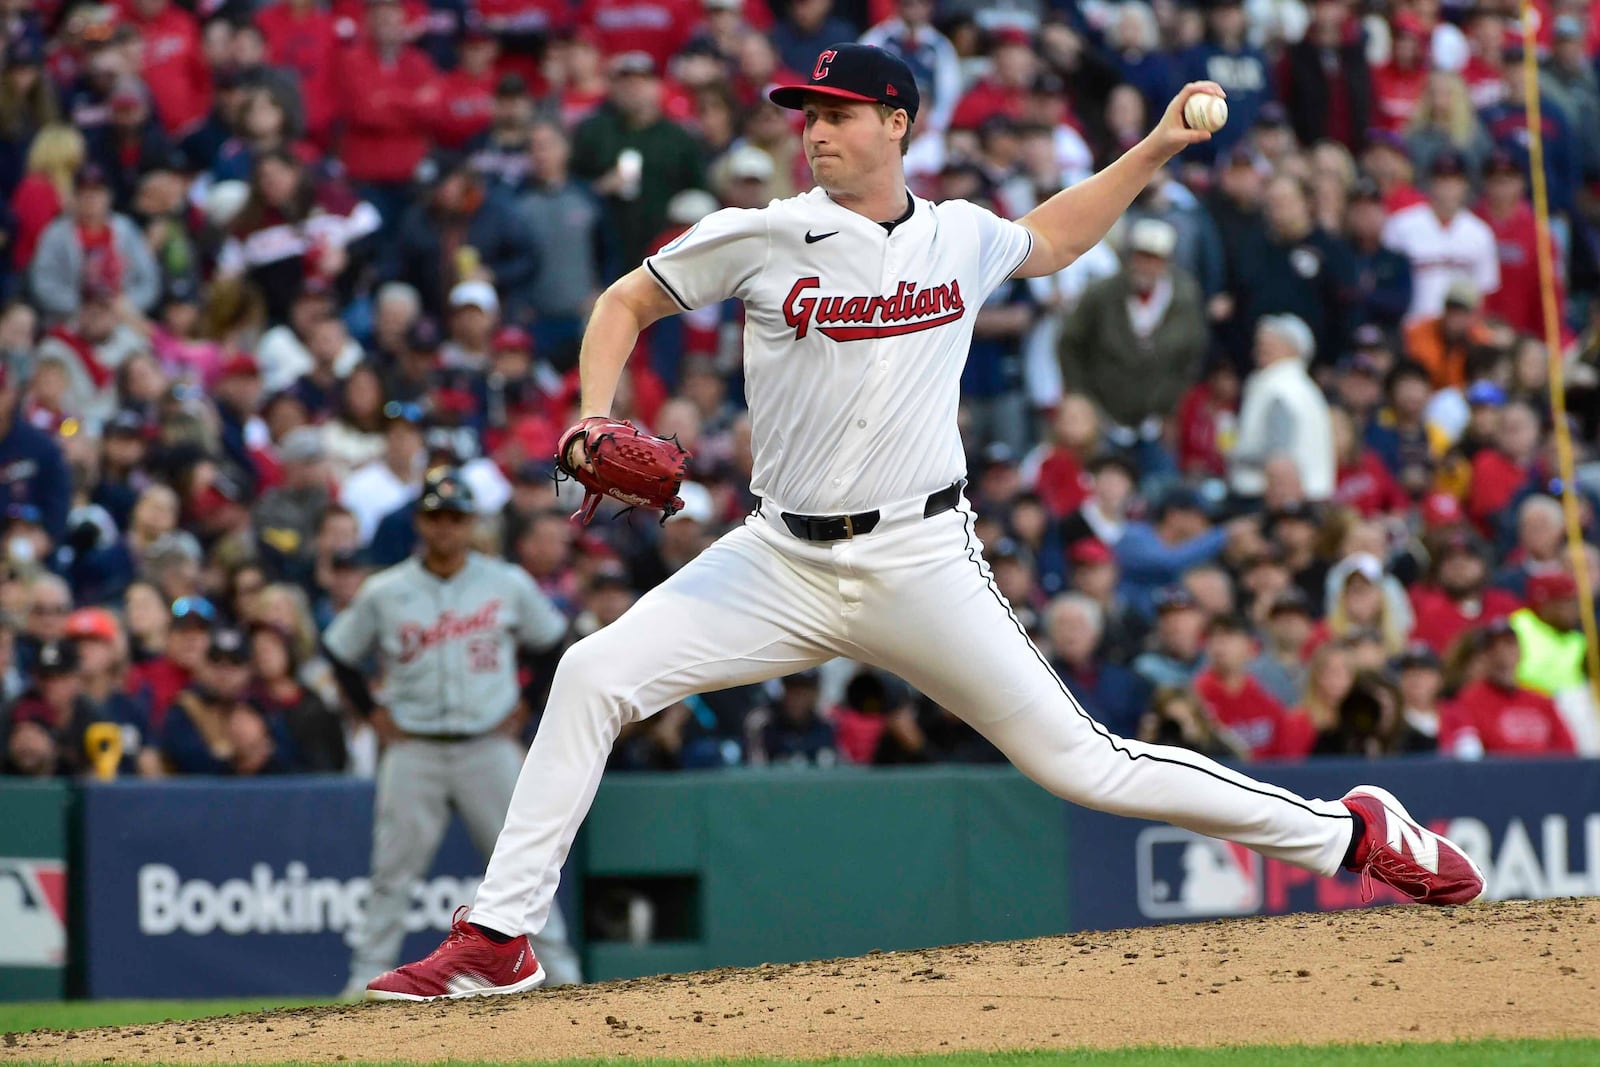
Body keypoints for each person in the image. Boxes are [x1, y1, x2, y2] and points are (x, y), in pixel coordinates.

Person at [365, 45, 1484, 1003]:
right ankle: (502, 937)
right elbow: (625, 301)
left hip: (919, 553)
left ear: (898, 121)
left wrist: (1153, 150)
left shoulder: (956, 234)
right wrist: (591, 416)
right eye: (806, 116)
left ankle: (1354, 833)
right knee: (592, 672)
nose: (814, 132)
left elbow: (1046, 237)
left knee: (1085, 764)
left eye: (838, 114)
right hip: (779, 555)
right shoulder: (763, 233)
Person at [322, 468, 581, 996]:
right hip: (413, 748)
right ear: (420, 521)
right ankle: (358, 983)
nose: (446, 527)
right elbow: (340, 651)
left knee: (526, 866)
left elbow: (555, 641)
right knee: (392, 873)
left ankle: (562, 975)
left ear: (470, 523)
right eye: (436, 516)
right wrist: (371, 710)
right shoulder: (385, 590)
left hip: (489, 745)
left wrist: (528, 706)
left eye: (456, 517)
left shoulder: (505, 582)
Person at [1228, 315, 1335, 504]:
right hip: (1308, 494)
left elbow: (1277, 452)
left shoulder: (1281, 387)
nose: (1260, 349)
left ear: (1293, 348)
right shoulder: (1303, 386)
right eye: (1259, 343)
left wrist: (1236, 454)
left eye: (1270, 343)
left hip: (1274, 498)